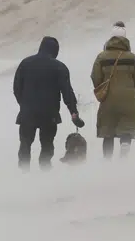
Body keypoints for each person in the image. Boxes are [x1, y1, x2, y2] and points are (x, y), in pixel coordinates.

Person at [12, 36, 83, 170]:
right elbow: (67, 93)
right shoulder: (59, 67)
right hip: (49, 114)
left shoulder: (25, 63)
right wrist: (74, 112)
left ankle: (23, 175)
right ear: (55, 51)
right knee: (47, 145)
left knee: (25, 145)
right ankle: (45, 173)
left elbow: (16, 88)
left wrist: (24, 104)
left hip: (28, 113)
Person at [91, 21, 135, 158]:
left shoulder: (101, 57)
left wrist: (102, 90)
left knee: (108, 131)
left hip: (108, 99)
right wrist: (132, 92)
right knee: (126, 128)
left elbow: (95, 77)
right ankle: (124, 151)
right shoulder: (133, 58)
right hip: (128, 99)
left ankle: (108, 161)